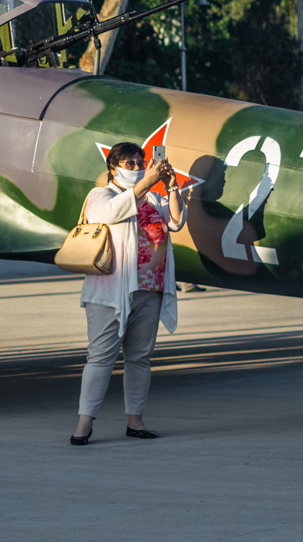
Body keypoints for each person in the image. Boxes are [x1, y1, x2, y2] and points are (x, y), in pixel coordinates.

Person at [70, 142, 186, 445]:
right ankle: (85, 423)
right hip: (110, 291)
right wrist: (145, 182)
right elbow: (110, 213)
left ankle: (135, 421)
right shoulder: (101, 195)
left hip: (150, 289)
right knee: (100, 358)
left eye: (140, 162)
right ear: (113, 167)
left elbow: (176, 221)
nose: (136, 167)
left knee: (139, 358)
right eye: (129, 163)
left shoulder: (153, 196)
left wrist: (172, 188)